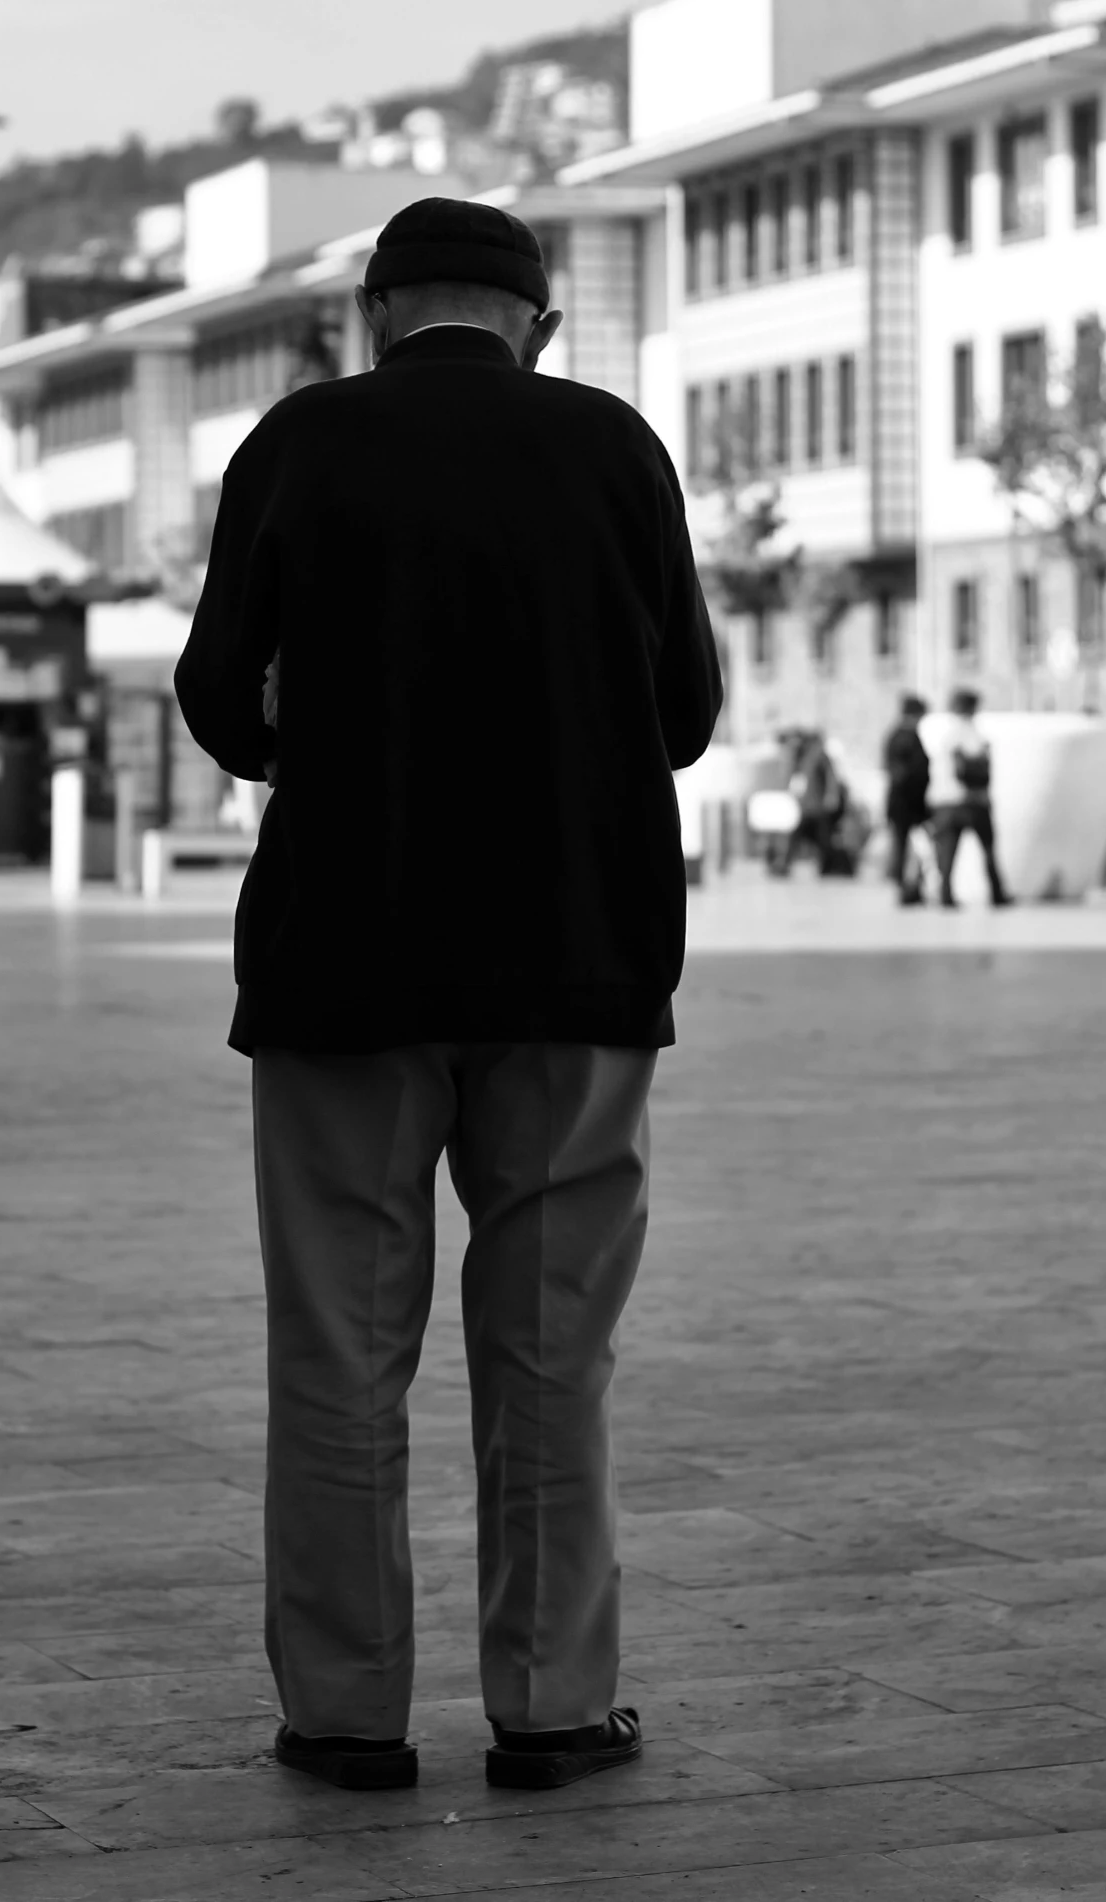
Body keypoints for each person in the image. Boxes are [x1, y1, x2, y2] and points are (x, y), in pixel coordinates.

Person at [174, 197, 723, 1798]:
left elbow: (219, 697)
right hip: (574, 961)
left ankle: (344, 1714)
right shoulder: (614, 450)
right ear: (534, 329)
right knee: (549, 1347)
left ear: (369, 313)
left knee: (338, 1347)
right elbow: (682, 714)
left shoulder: (297, 443)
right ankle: (550, 1703)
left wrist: (317, 722)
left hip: (343, 960)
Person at [921, 687, 1013, 910]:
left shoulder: (942, 732)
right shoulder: (970, 732)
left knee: (947, 853)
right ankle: (997, 893)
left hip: (944, 802)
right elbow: (974, 766)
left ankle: (945, 895)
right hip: (971, 801)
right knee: (988, 849)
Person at [883, 695, 933, 906]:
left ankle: (909, 887)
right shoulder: (906, 737)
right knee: (906, 848)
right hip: (907, 803)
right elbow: (909, 773)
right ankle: (907, 888)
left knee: (905, 847)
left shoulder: (896, 735)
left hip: (903, 802)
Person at [776, 731, 845, 876]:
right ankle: (785, 864)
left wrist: (831, 797)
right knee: (810, 837)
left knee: (820, 839)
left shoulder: (819, 756)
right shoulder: (806, 756)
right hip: (809, 807)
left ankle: (829, 866)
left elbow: (830, 778)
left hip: (817, 807)